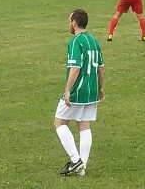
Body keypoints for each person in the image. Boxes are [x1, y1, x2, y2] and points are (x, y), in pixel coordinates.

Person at [54, 9, 104, 177]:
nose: (69, 23)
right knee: (84, 124)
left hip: (78, 89)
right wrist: (100, 88)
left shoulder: (75, 42)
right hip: (91, 91)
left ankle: (76, 161)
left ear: (74, 22)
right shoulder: (94, 40)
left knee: (59, 123)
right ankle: (82, 167)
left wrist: (68, 89)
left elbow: (75, 68)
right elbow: (101, 68)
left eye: (69, 20)